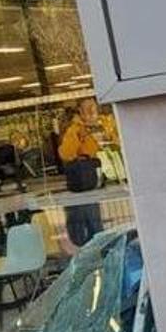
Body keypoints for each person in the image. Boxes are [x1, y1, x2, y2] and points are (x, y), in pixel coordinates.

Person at [58, 98, 119, 248]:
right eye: (88, 108)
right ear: (80, 111)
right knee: (90, 227)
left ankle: (98, 249)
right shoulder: (75, 130)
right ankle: (97, 250)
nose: (92, 111)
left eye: (93, 107)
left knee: (93, 225)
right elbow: (66, 154)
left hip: (93, 181)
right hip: (84, 182)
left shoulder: (96, 127)